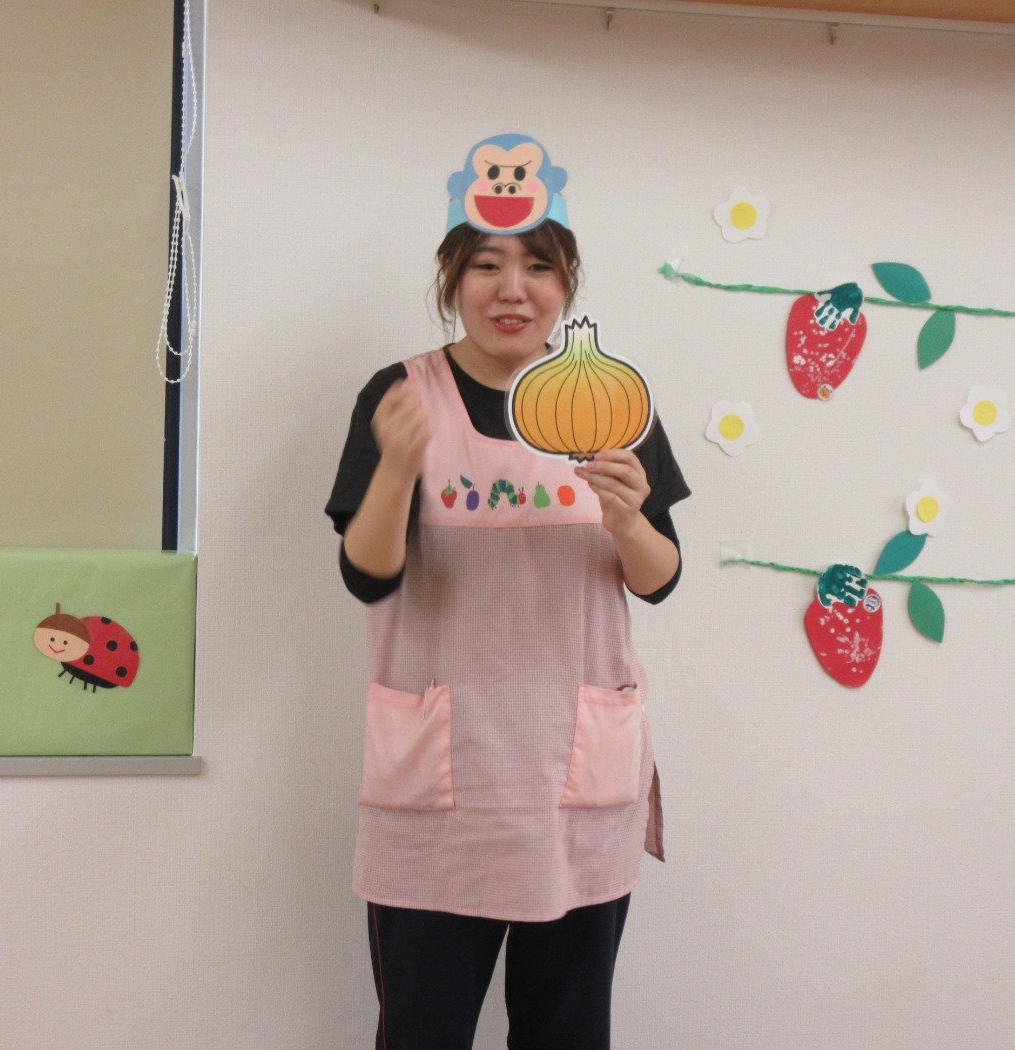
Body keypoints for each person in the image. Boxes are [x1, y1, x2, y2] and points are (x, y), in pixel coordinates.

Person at [325, 134, 690, 1050]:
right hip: (443, 793)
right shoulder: (401, 395)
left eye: (539, 266)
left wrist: (628, 519)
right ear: (453, 279)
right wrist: (395, 469)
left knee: (568, 1033)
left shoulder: (612, 403)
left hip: (574, 783)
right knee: (422, 1032)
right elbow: (366, 573)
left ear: (568, 284)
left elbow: (660, 578)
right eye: (486, 265)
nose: (512, 288)